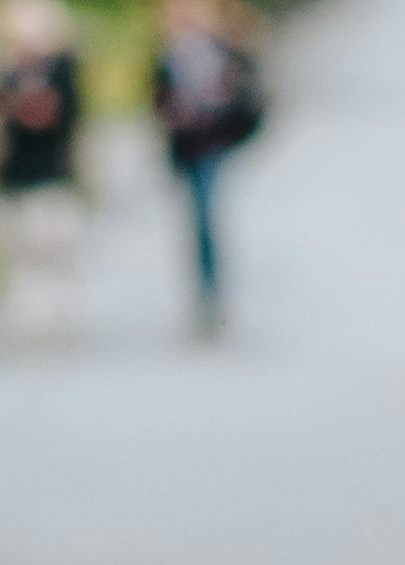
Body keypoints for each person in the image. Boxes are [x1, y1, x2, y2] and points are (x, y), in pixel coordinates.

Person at [150, 0, 264, 332]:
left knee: (204, 216)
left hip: (212, 145)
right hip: (186, 148)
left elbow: (243, 88)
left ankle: (211, 288)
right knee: (195, 220)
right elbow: (157, 98)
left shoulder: (220, 51)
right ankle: (204, 288)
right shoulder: (168, 55)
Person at [0, 0, 90, 329]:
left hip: (50, 170)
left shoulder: (61, 69)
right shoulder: (3, 72)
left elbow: (68, 117)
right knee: (18, 247)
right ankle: (26, 311)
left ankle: (56, 308)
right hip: (14, 171)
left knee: (50, 244)